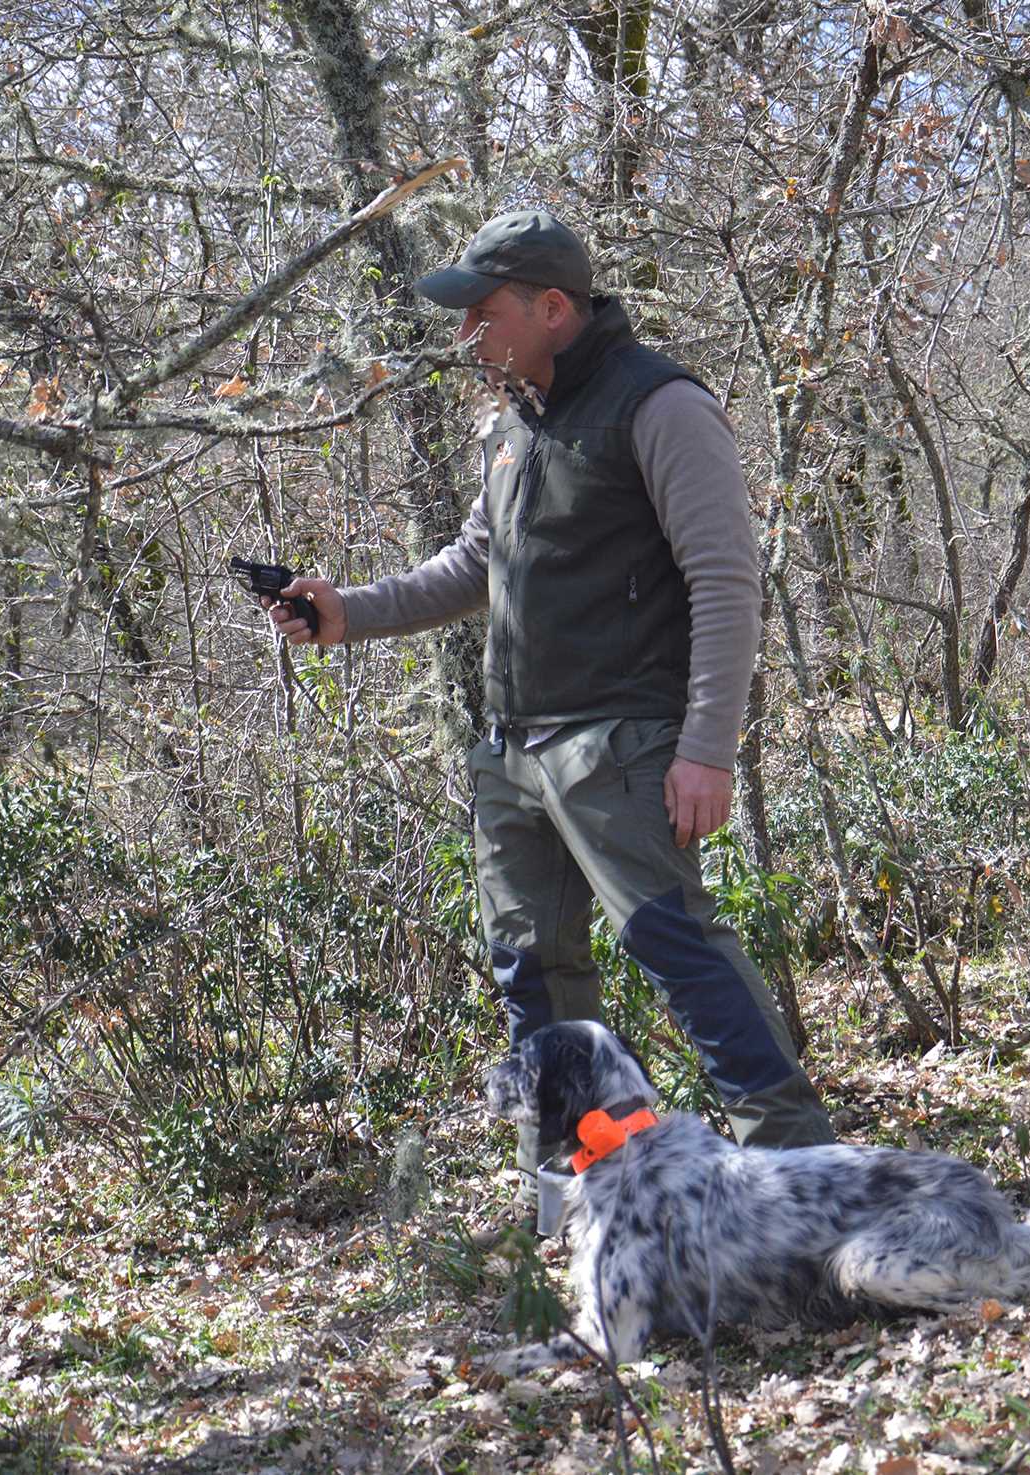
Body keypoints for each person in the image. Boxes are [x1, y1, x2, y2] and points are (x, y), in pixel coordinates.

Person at [269, 210, 835, 1205]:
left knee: (682, 959)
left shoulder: (659, 407)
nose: (465, 338)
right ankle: (588, 1189)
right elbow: (474, 565)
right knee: (533, 981)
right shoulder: (512, 428)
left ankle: (804, 1179)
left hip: (620, 747)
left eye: (480, 315)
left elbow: (725, 579)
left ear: (552, 308)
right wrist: (341, 612)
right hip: (512, 754)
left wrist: (707, 745)